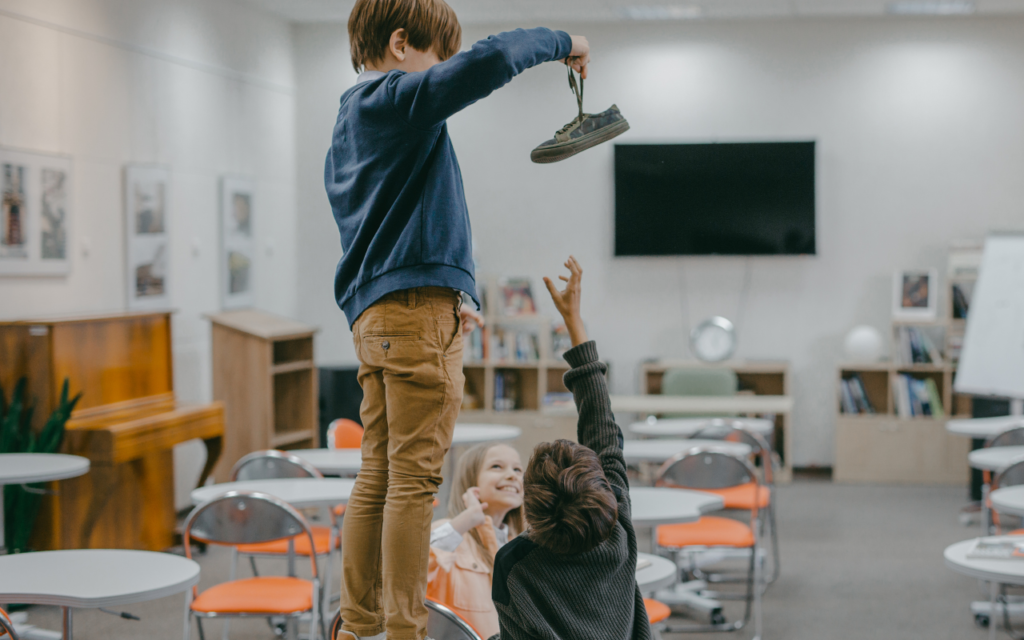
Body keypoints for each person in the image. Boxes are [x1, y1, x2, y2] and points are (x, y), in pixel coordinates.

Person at [325, 1, 591, 638]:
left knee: (380, 473)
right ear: (398, 44)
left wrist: (441, 296)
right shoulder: (395, 100)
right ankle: (405, 631)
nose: (440, 74)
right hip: (412, 313)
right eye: (436, 58)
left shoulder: (350, 118)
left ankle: (362, 627)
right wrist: (566, 41)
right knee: (412, 482)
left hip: (381, 314)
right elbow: (493, 59)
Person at [492, 256, 651, 640]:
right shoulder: (617, 533)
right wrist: (575, 325)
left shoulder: (515, 564)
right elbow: (603, 427)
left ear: (528, 507)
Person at [427, 443, 525, 638]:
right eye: (496, 467)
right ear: (471, 479)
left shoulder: (521, 547)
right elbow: (406, 571)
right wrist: (468, 519)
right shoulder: (451, 531)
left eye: (517, 469)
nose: (512, 475)